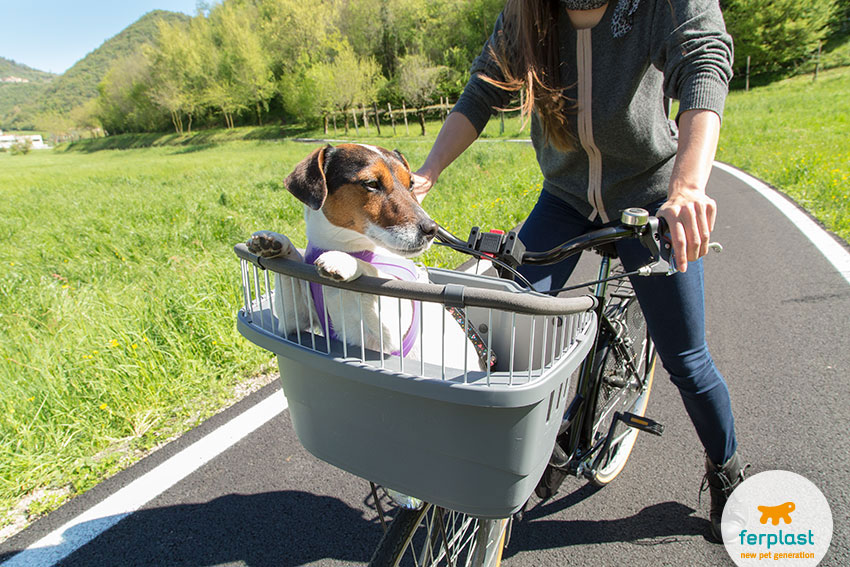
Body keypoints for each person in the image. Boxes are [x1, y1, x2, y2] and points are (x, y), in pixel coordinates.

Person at [411, 0, 747, 542]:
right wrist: (426, 173)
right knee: (501, 324)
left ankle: (726, 468)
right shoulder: (527, 12)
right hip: (565, 195)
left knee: (686, 357)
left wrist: (687, 187)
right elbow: (483, 88)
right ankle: (521, 449)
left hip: (649, 191)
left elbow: (703, 60)